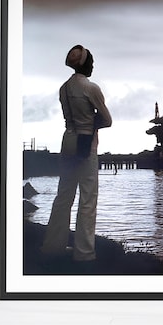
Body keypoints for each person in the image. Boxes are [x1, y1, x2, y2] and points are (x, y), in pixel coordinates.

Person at [41, 45, 112, 265]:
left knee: (63, 197)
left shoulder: (63, 88)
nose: (93, 65)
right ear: (85, 63)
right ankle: (84, 253)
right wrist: (92, 125)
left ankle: (53, 247)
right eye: (91, 61)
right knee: (88, 199)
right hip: (85, 142)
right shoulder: (91, 88)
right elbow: (107, 120)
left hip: (68, 140)